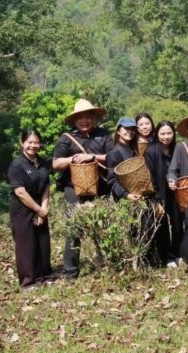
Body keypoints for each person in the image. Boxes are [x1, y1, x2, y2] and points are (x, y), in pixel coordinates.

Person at [52, 98, 111, 279]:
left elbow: (113, 156)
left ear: (95, 117)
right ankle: (71, 271)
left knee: (104, 225)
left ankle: (107, 263)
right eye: (80, 117)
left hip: (100, 187)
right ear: (74, 120)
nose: (85, 120)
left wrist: (91, 156)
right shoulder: (66, 138)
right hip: (73, 189)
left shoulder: (104, 135)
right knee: (74, 228)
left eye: (88, 116)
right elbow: (56, 163)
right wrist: (73, 159)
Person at [7, 129, 52, 288]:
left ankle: (44, 276)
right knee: (26, 246)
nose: (33, 145)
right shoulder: (17, 165)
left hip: (40, 206)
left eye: (36, 142)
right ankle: (27, 282)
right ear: (22, 143)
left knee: (42, 242)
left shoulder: (43, 163)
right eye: (29, 142)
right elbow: (20, 192)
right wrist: (38, 210)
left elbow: (46, 186)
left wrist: (43, 209)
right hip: (22, 209)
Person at [145, 121, 182, 266]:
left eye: (169, 133)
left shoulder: (178, 149)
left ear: (174, 134)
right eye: (162, 133)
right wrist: (155, 199)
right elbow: (150, 176)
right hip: (159, 193)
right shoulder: (151, 151)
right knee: (162, 225)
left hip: (177, 192)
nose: (166, 137)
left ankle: (178, 252)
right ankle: (167, 256)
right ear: (157, 134)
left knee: (178, 224)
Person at [106, 117, 141, 202]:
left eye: (132, 129)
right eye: (126, 128)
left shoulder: (134, 151)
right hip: (124, 200)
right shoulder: (114, 153)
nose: (130, 131)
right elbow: (112, 181)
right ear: (118, 131)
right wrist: (126, 195)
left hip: (138, 195)